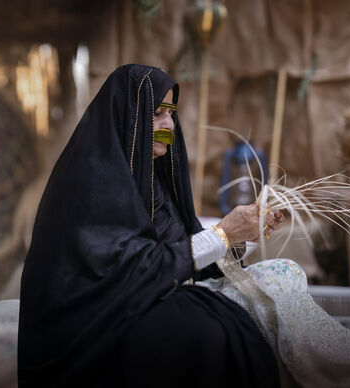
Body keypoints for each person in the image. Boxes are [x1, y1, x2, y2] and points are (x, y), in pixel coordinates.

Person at [18, 64, 283, 387]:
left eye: (171, 114)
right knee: (203, 331)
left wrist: (241, 236)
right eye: (157, 114)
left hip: (128, 302)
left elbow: (178, 249)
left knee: (271, 286)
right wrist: (222, 234)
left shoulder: (150, 182)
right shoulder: (90, 182)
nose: (169, 125)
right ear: (130, 117)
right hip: (86, 324)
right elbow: (134, 268)